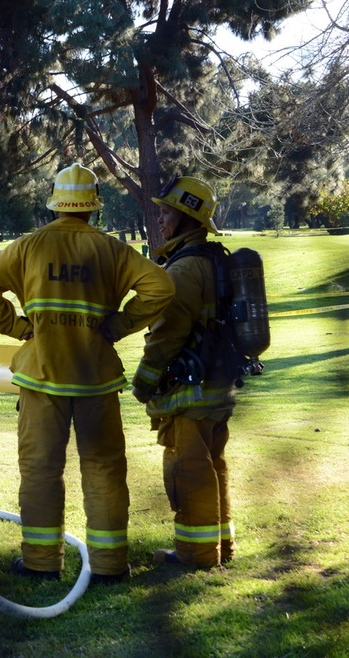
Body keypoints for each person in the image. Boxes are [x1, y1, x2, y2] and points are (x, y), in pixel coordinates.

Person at [0, 163, 175, 584]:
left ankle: (42, 563)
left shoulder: (29, 246)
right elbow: (162, 287)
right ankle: (110, 565)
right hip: (95, 377)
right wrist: (116, 326)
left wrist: (18, 327)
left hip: (41, 376)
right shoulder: (112, 249)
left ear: (55, 202)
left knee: (42, 469)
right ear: (94, 205)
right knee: (104, 470)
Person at [131, 176, 237, 569]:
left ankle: (195, 554)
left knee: (188, 470)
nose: (159, 220)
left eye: (165, 213)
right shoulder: (216, 261)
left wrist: (143, 382)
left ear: (187, 218)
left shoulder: (183, 270)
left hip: (188, 392)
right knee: (214, 466)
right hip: (219, 388)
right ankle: (221, 546)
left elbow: (166, 335)